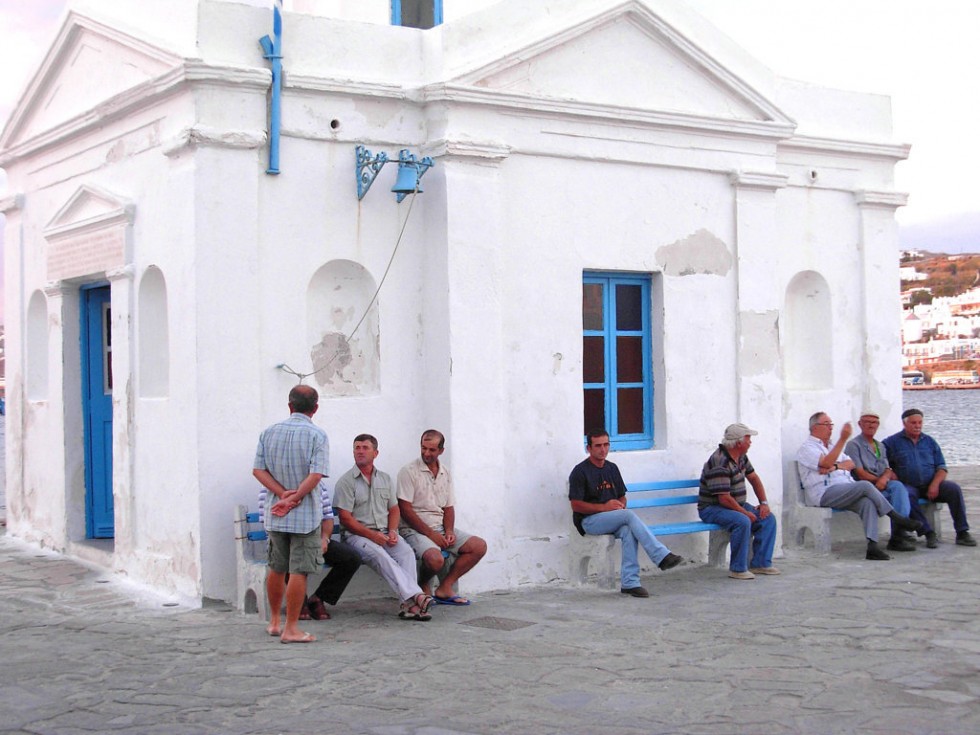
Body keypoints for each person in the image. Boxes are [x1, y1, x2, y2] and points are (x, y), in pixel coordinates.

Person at [252, 384, 329, 643]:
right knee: (299, 571)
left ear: (290, 405)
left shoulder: (268, 432)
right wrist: (295, 497)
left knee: (276, 567)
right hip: (305, 514)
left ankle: (274, 621)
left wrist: (282, 494)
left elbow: (258, 471)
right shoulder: (317, 435)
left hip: (276, 512)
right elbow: (315, 475)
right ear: (315, 408)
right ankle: (291, 628)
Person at [568, 429, 682, 598]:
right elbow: (576, 505)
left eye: (606, 444)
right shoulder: (580, 471)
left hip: (611, 518)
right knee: (628, 516)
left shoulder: (612, 468)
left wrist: (620, 505)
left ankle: (630, 582)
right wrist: (604, 507)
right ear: (589, 448)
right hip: (589, 521)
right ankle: (661, 556)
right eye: (598, 445)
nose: (603, 449)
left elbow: (622, 495)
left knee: (629, 530)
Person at [334, 434, 433, 621]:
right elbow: (346, 519)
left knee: (406, 553)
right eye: (357, 447)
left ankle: (408, 605)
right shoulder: (346, 482)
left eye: (365, 447)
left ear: (375, 453)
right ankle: (417, 597)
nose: (360, 451)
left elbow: (394, 509)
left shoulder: (385, 479)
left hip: (385, 533)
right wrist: (372, 535)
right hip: (357, 537)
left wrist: (393, 531)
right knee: (382, 556)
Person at [796, 412, 921, 560]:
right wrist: (842, 440)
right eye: (827, 424)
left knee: (867, 503)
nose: (831, 428)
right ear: (815, 427)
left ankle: (872, 546)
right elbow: (826, 463)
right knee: (864, 486)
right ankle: (896, 516)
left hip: (845, 489)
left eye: (831, 425)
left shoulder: (831, 447)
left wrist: (835, 466)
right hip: (824, 493)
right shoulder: (807, 448)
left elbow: (850, 464)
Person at [397, 430, 487, 605]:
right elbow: (405, 509)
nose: (426, 453)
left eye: (431, 450)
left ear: (441, 450)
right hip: (414, 529)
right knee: (435, 558)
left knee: (479, 546)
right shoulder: (408, 471)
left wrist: (449, 531)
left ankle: (445, 587)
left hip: (439, 528)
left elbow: (448, 507)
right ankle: (423, 584)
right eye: (423, 448)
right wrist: (432, 535)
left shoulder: (445, 472)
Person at [256, 481, 362, 621]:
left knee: (351, 558)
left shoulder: (318, 485)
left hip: (314, 538)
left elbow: (327, 518)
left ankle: (319, 598)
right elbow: (267, 521)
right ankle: (299, 602)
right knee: (293, 554)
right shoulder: (269, 487)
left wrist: (324, 539)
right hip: (284, 540)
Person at [883, 408, 976, 548]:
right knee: (906, 494)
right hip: (908, 485)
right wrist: (890, 473)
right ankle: (928, 533)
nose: (917, 426)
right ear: (905, 424)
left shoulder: (929, 442)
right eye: (913, 423)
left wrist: (935, 484)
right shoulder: (891, 443)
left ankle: (962, 532)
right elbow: (883, 464)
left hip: (931, 484)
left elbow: (942, 467)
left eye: (920, 422)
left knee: (954, 489)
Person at [698, 423, 778, 580]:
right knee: (742, 521)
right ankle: (738, 568)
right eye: (748, 439)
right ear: (739, 443)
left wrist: (764, 503)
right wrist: (745, 512)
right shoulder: (719, 462)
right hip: (713, 508)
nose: (751, 442)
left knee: (768, 519)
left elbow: (754, 478)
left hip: (735, 505)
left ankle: (760, 563)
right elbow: (724, 498)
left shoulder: (741, 457)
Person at [844, 411, 917, 552]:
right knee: (893, 493)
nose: (871, 425)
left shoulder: (880, 446)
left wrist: (885, 478)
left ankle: (898, 534)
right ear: (860, 424)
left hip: (881, 483)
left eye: (874, 422)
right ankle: (900, 533)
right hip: (866, 486)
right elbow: (860, 473)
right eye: (867, 422)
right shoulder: (854, 445)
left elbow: (887, 468)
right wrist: (880, 479)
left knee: (899, 488)